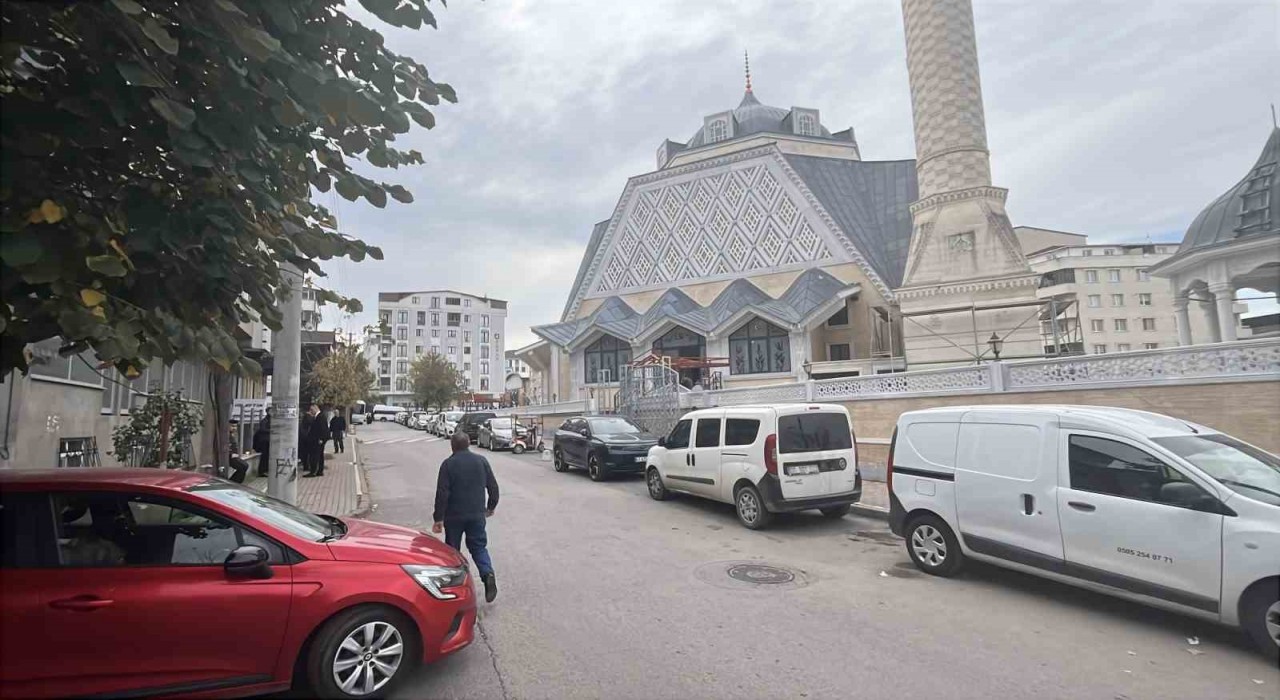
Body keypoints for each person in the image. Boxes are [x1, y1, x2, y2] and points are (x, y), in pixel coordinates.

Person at [432, 432, 499, 602]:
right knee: (478, 547)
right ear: (469, 443)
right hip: (477, 514)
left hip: (454, 516)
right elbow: (493, 487)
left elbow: (442, 493)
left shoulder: (448, 465)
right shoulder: (481, 461)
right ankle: (487, 573)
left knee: (452, 551)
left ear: (452, 446)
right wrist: (491, 506)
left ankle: (456, 586)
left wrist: (438, 518)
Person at [303, 404, 327, 477]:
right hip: (317, 440)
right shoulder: (318, 416)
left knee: (315, 456)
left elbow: (322, 429)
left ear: (315, 408)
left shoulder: (320, 417)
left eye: (312, 410)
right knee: (319, 455)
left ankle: (313, 471)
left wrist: (321, 439)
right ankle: (319, 471)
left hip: (318, 440)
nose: (311, 411)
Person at [252, 409, 271, 477]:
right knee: (264, 456)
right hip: (263, 441)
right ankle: (262, 471)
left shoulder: (270, 420)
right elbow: (262, 429)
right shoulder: (265, 420)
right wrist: (271, 430)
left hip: (268, 441)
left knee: (267, 456)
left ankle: (265, 470)